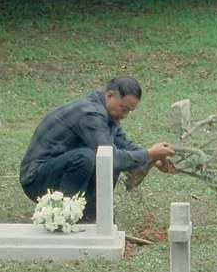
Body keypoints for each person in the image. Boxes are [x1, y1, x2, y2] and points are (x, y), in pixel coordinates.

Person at [19, 76, 176, 221]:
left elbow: (123, 142)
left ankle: (91, 217)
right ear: (110, 95)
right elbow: (112, 158)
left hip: (57, 170)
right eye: (124, 109)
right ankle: (63, 214)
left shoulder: (106, 112)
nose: (125, 115)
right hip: (35, 180)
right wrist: (148, 154)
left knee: (104, 154)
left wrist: (154, 160)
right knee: (87, 158)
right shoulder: (89, 113)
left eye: (129, 111)